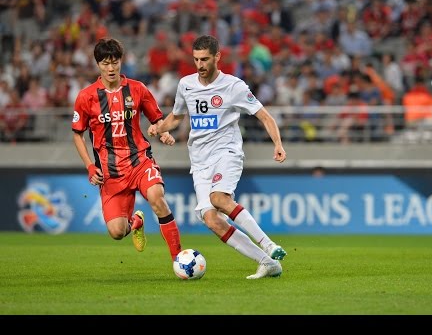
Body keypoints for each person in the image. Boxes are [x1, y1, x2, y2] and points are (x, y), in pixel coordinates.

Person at [149, 34, 287, 279]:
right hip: (199, 161)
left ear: (217, 57)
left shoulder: (234, 86)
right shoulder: (186, 85)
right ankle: (267, 263)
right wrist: (159, 127)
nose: (200, 65)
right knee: (212, 220)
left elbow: (265, 116)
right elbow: (177, 117)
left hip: (227, 152)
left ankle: (268, 244)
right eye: (196, 59)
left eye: (205, 59)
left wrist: (277, 143)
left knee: (219, 197)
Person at [71, 37, 182, 263]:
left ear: (121, 61)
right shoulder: (86, 96)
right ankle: (136, 222)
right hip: (110, 172)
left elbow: (157, 120)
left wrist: (163, 132)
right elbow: (77, 134)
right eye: (105, 63)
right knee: (117, 232)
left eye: (115, 62)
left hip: (139, 160)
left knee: (157, 198)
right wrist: (90, 166)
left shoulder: (138, 89)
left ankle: (179, 259)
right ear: (98, 65)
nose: (110, 68)